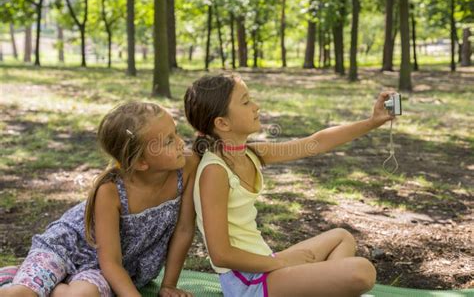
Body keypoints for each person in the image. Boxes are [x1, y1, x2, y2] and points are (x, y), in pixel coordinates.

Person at [184, 74, 394, 297]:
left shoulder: (250, 153)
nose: (256, 106)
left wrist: (372, 122)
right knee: (361, 271)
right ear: (222, 123)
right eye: (245, 102)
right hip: (247, 282)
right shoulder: (214, 171)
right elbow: (221, 255)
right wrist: (282, 262)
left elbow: (315, 143)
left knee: (342, 237)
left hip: (265, 267)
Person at [0, 102, 197, 297]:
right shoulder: (110, 190)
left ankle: (47, 284)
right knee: (21, 294)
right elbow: (110, 259)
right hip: (64, 249)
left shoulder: (186, 168)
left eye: (176, 132)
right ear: (141, 162)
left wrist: (169, 285)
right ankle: (16, 281)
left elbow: (184, 229)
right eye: (169, 140)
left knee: (81, 295)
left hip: (108, 270)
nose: (181, 142)